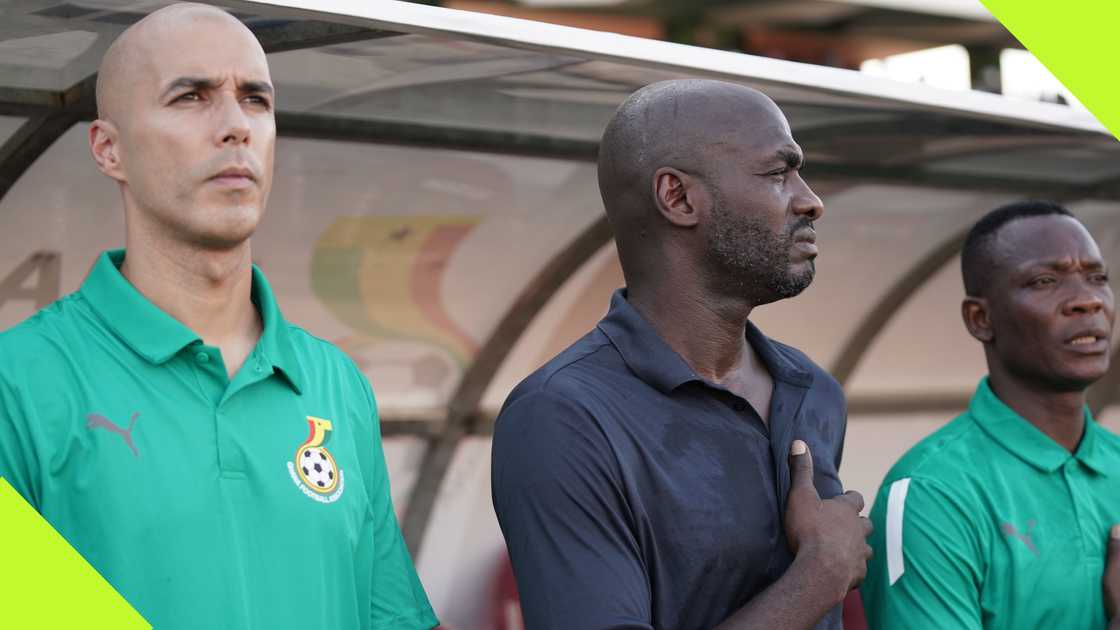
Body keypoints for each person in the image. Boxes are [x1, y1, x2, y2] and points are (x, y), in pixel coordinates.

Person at [0, 5, 437, 629]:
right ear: (108, 150)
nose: (235, 125)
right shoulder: (18, 383)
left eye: (255, 99)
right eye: (191, 97)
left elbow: (390, 618)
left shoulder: (336, 384)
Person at [491, 79, 871, 630]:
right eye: (776, 173)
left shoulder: (810, 387)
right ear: (678, 198)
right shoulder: (563, 417)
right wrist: (818, 576)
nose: (810, 200)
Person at [863, 201, 1120, 629]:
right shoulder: (930, 493)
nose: (1086, 300)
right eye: (1045, 280)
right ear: (980, 318)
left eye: (1098, 278)